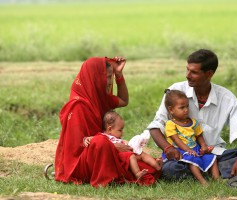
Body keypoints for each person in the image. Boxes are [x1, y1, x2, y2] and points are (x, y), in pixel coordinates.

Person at [147, 49, 237, 188]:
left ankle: (203, 172)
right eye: (187, 70)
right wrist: (168, 148)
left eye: (194, 72)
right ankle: (216, 172)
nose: (187, 75)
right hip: (185, 158)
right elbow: (155, 127)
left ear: (209, 74)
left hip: (214, 155)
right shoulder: (176, 91)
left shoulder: (226, 98)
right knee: (171, 169)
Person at [55, 56, 159, 187]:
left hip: (103, 152)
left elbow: (123, 100)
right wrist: (112, 146)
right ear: (94, 77)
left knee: (149, 168)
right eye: (108, 77)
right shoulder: (77, 107)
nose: (110, 82)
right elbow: (77, 147)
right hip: (81, 162)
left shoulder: (99, 97)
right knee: (101, 141)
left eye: (111, 77)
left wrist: (119, 75)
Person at [83, 110, 162, 183]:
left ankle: (156, 165)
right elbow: (96, 141)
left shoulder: (116, 138)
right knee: (131, 156)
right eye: (120, 130)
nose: (122, 133)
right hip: (117, 158)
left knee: (141, 154)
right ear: (109, 129)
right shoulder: (103, 136)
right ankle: (137, 173)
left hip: (125, 155)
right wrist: (87, 138)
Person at [162, 89, 220, 185]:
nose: (186, 110)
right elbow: (176, 140)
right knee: (192, 160)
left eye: (187, 106)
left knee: (212, 158)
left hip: (195, 149)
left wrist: (203, 146)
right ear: (171, 109)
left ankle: (217, 179)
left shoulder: (192, 122)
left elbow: (199, 135)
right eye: (182, 107)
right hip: (180, 150)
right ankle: (202, 181)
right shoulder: (170, 124)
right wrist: (188, 149)